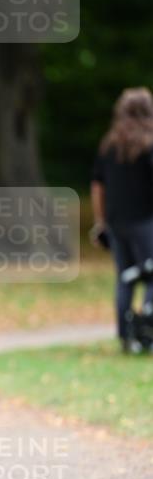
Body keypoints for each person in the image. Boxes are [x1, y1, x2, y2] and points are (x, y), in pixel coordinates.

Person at [90, 86, 153, 351]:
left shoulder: (109, 146)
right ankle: (148, 328)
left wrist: (100, 220)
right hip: (145, 222)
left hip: (116, 223)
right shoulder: (149, 145)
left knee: (124, 278)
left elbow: (97, 185)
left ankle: (125, 335)